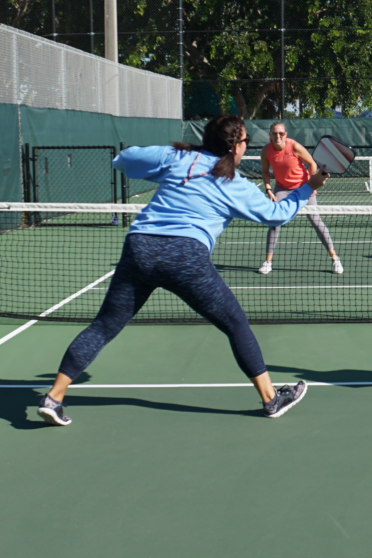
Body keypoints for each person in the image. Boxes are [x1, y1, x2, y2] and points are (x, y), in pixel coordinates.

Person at [36, 116, 329, 427]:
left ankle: (53, 398)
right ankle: (271, 400)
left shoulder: (178, 158)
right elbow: (276, 214)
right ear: (234, 147)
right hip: (185, 257)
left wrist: (174, 157)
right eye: (244, 142)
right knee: (235, 323)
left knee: (104, 326)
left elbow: (123, 158)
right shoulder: (234, 183)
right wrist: (307, 187)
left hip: (140, 249)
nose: (247, 146)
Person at [259, 121, 342, 275]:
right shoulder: (266, 151)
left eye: (281, 133)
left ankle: (335, 258)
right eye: (274, 133)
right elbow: (265, 171)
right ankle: (268, 262)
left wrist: (311, 185)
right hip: (282, 188)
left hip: (303, 187)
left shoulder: (294, 146)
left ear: (285, 134)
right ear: (270, 135)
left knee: (316, 221)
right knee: (275, 222)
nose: (278, 136)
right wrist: (268, 189)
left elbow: (311, 163)